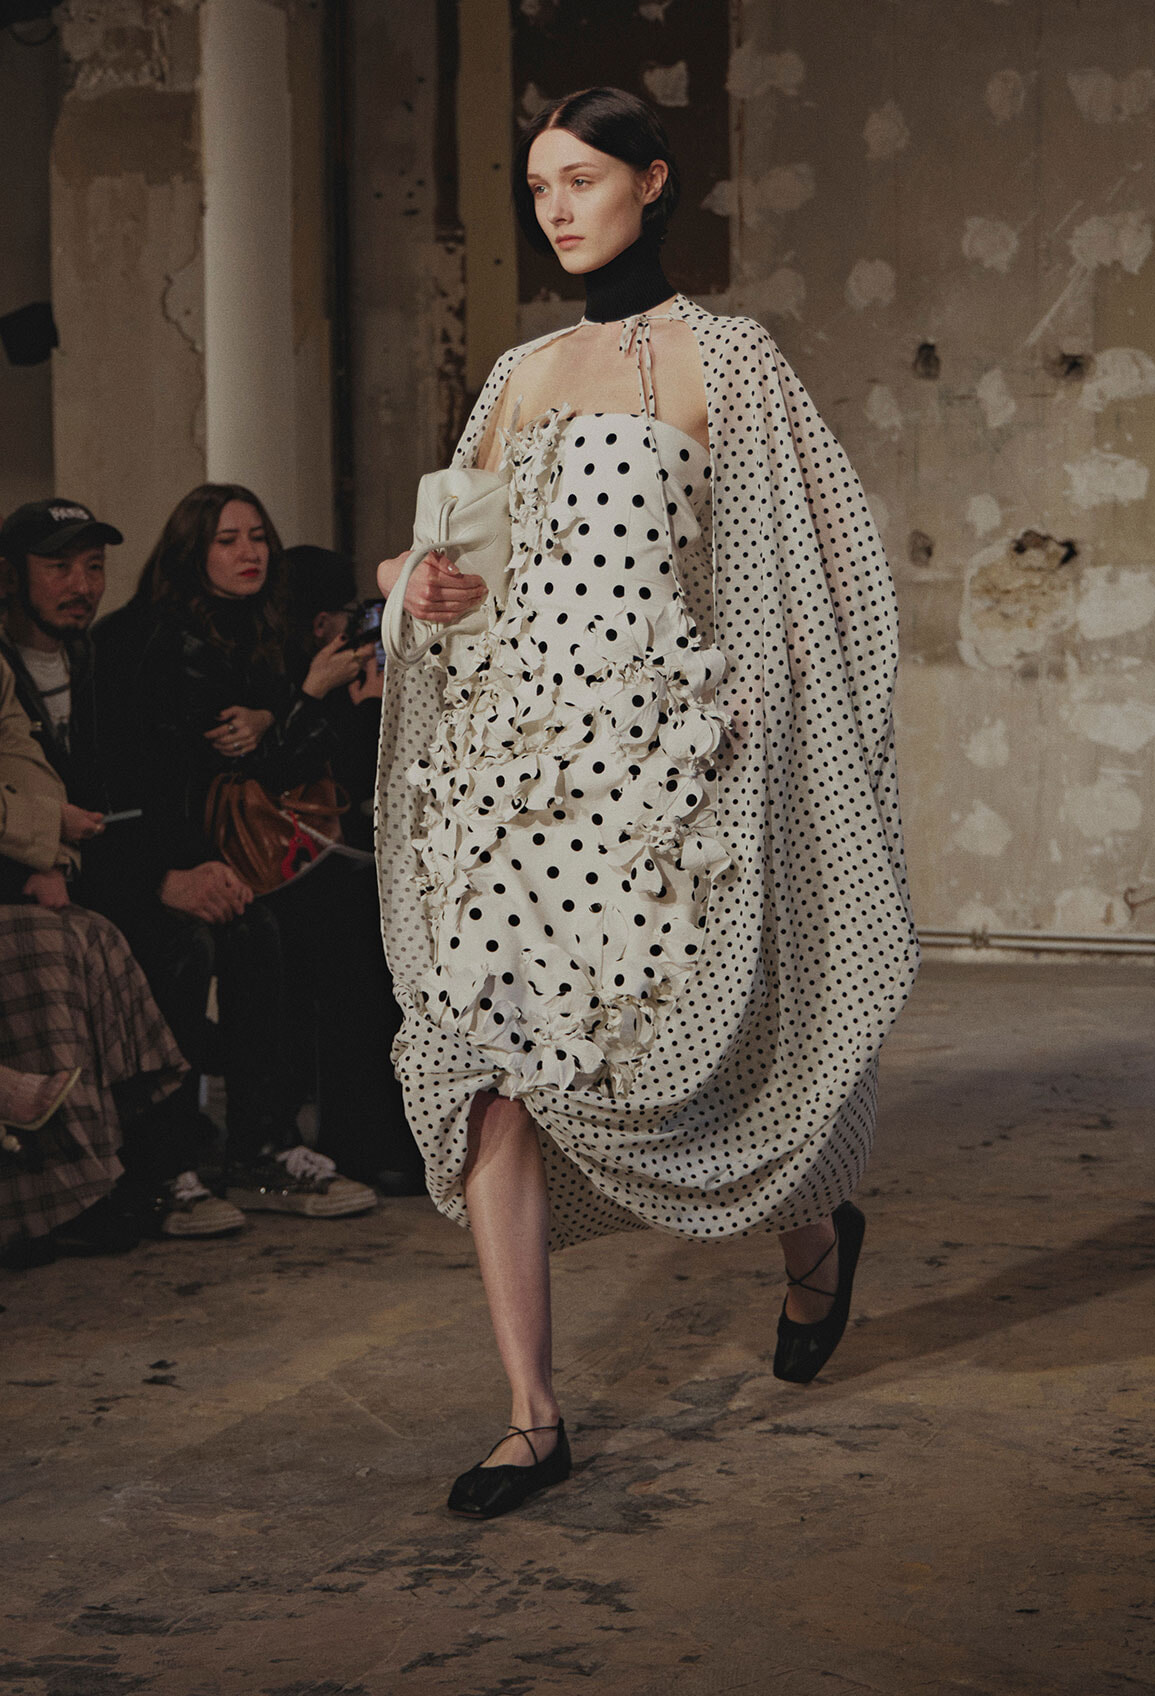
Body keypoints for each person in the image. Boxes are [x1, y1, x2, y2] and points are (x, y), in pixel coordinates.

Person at [375, 87, 919, 1518]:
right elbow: (457, 562)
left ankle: (813, 1240)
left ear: (653, 182)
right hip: (509, 775)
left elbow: (820, 577)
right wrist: (411, 588)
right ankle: (531, 1415)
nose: (556, 207)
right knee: (481, 1062)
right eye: (539, 183)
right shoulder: (516, 372)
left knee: (705, 1058)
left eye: (584, 178)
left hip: (654, 780)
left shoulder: (728, 363)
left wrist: (766, 731)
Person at [112, 484, 380, 1216]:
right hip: (162, 853)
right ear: (192, 550)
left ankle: (262, 1148)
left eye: (258, 536)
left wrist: (281, 707)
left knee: (289, 929)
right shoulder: (169, 641)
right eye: (228, 540)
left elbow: (274, 749)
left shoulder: (247, 631)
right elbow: (251, 764)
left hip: (222, 850)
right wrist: (310, 693)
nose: (250, 553)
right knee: (204, 945)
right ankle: (175, 1163)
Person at [0, 501, 243, 1241]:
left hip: (78, 863)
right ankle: (131, 1172)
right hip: (36, 872)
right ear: (12, 577)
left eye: (94, 566)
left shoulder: (107, 657)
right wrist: (53, 849)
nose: (82, 583)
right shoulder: (10, 663)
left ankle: (194, 1157)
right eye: (59, 566)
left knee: (238, 925)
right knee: (119, 938)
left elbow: (122, 788)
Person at [0, 652, 215, 1266]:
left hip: (25, 858)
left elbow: (23, 764)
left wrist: (47, 854)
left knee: (89, 936)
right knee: (51, 945)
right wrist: (44, 833)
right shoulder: (136, 643)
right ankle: (64, 1184)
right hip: (20, 857)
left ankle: (99, 1170)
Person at [278, 545, 425, 1194]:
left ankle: (398, 1136)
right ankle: (365, 1141)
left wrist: (374, 698)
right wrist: (335, 698)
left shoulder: (349, 674)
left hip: (353, 860)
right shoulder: (288, 678)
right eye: (343, 615)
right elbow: (295, 767)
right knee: (359, 945)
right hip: (295, 869)